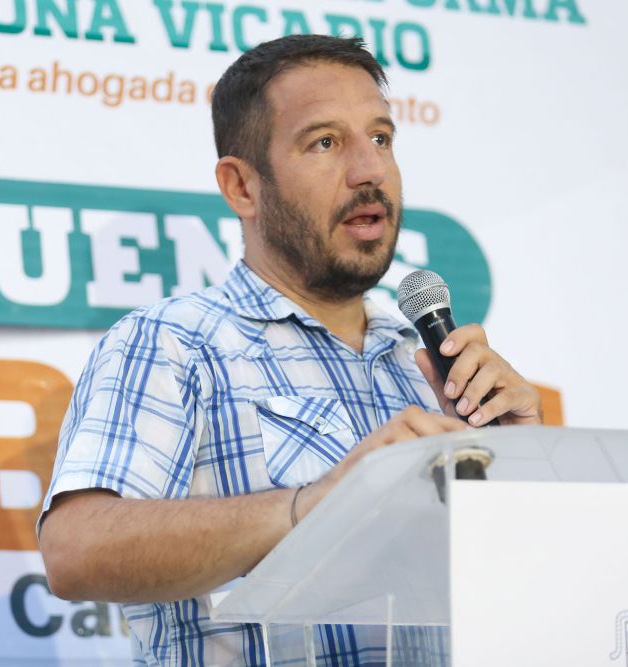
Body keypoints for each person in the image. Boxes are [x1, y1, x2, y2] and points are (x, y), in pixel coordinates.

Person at [38, 34, 542, 666]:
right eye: (325, 143)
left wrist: (524, 471)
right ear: (242, 187)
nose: (369, 170)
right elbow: (75, 551)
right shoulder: (176, 342)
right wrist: (315, 505)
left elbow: (520, 592)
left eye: (381, 137)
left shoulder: (428, 369)